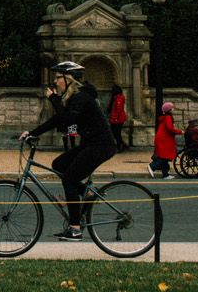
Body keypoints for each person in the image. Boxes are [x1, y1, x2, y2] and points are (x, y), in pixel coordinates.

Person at [18, 61, 116, 242]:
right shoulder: (75, 97)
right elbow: (58, 120)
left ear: (68, 79)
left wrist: (53, 99)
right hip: (91, 144)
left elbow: (66, 121)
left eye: (58, 78)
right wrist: (32, 133)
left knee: (70, 179)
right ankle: (87, 193)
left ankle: (75, 229)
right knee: (59, 164)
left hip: (101, 145)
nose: (55, 82)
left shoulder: (82, 97)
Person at [148, 102, 177, 179]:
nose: (173, 109)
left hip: (162, 138)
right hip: (164, 139)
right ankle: (152, 166)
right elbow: (170, 128)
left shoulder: (165, 117)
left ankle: (165, 175)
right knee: (164, 157)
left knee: (165, 157)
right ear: (169, 110)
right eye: (172, 108)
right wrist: (180, 131)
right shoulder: (168, 117)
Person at [107, 84, 128, 152]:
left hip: (118, 119)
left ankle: (120, 146)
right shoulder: (117, 97)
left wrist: (115, 118)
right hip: (117, 119)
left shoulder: (118, 98)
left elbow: (118, 109)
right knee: (116, 133)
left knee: (116, 133)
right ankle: (122, 145)